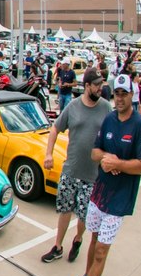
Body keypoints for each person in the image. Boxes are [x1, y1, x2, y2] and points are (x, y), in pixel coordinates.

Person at [65, 74, 141, 276]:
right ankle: (87, 275)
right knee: (93, 240)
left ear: (132, 95)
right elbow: (94, 152)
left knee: (102, 250)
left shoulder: (139, 124)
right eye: (117, 94)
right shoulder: (109, 119)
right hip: (100, 193)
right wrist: (105, 159)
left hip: (119, 199)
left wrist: (118, 164)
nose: (120, 98)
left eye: (124, 93)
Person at [41, 69, 112, 265]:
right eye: (96, 85)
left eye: (101, 84)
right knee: (65, 209)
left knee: (84, 214)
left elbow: (112, 134)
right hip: (71, 169)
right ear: (87, 86)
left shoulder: (106, 108)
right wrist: (48, 153)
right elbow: (55, 128)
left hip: (93, 175)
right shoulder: (73, 106)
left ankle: (78, 239)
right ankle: (57, 246)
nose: (100, 88)